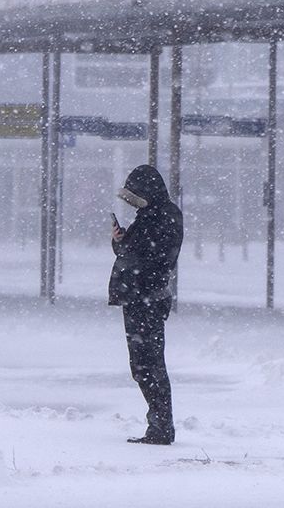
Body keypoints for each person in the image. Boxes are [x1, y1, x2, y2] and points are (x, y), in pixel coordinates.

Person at [109, 164, 184, 445]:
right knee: (144, 365)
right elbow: (138, 251)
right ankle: (159, 425)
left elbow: (151, 257)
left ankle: (161, 427)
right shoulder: (155, 215)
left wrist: (127, 245)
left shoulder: (160, 217)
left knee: (148, 364)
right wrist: (122, 241)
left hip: (145, 299)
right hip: (141, 297)